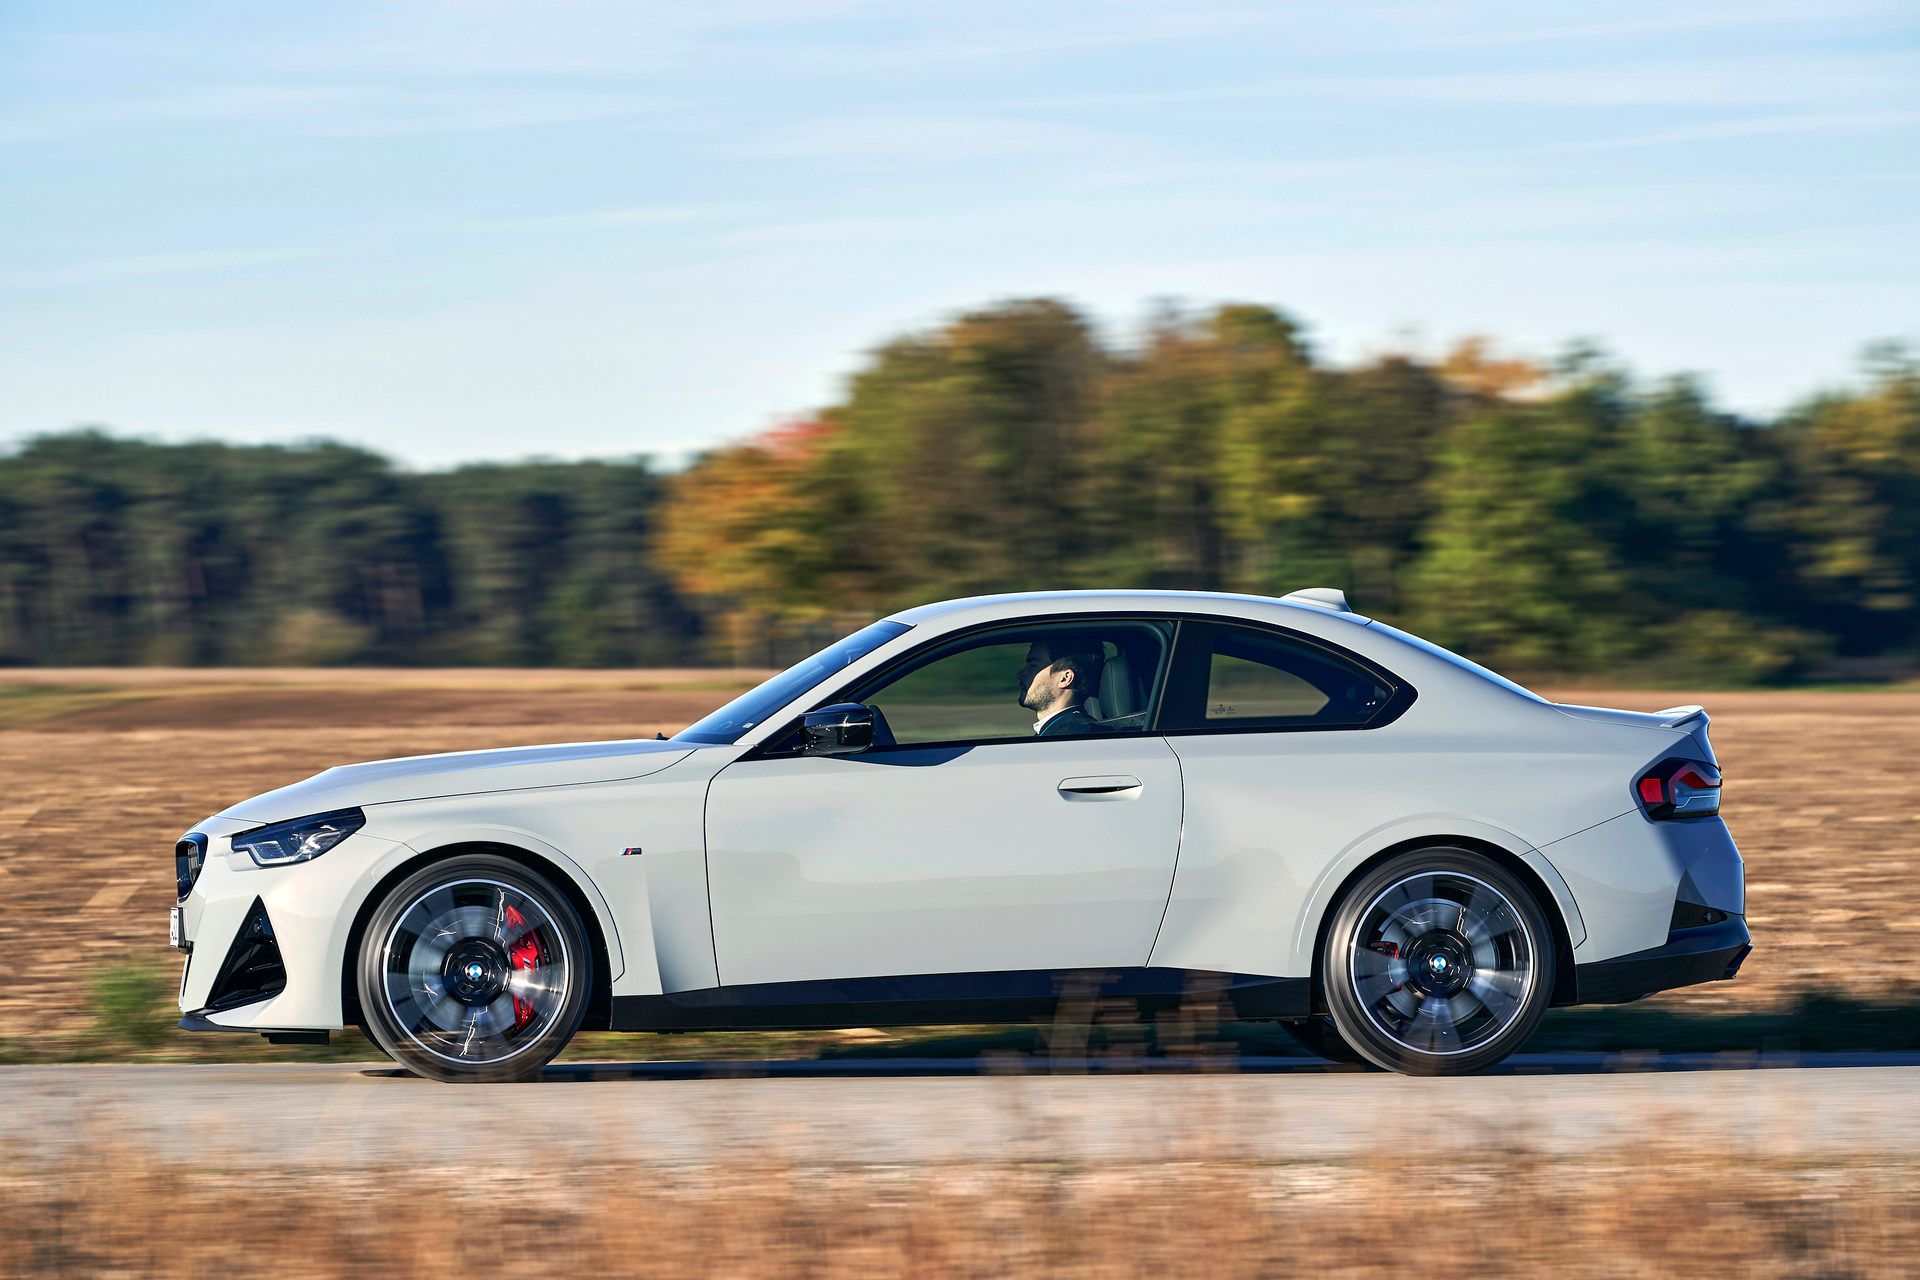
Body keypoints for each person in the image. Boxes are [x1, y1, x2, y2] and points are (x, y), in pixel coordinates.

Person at [1016, 636, 1104, 736]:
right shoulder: (1062, 731)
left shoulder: (1072, 736)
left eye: (1033, 665)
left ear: (1065, 678)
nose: (1020, 673)